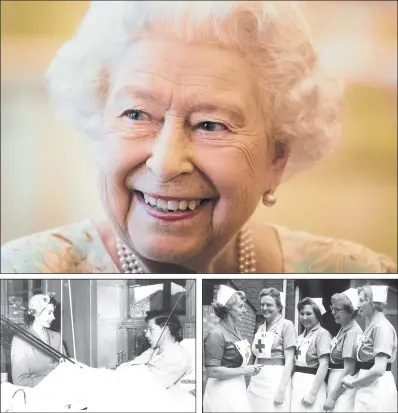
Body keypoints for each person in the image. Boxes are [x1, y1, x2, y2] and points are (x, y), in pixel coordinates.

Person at [1, 1, 396, 274]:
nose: (166, 162)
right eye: (136, 114)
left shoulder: (359, 282)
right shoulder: (19, 279)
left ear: (276, 158)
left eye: (211, 124)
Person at [341, 285, 397, 412]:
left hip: (377, 388)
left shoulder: (382, 328)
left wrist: (354, 382)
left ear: (374, 303)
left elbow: (379, 369)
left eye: (362, 300)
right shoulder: (370, 326)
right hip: (366, 386)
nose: (358, 305)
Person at [203, 285, 257, 412]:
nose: (244, 310)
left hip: (237, 387)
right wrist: (244, 371)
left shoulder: (236, 331)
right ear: (227, 309)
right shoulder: (216, 334)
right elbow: (212, 372)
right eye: (240, 306)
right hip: (222, 391)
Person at [247, 288, 296, 412]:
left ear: (279, 307)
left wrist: (282, 388)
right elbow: (257, 355)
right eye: (262, 304)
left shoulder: (287, 325)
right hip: (257, 378)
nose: (264, 308)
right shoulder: (260, 328)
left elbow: (290, 359)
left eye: (269, 305)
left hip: (275, 378)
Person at [117, 312, 192, 389]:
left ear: (165, 331)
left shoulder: (180, 356)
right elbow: (123, 368)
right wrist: (146, 368)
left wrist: (141, 368)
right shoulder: (152, 351)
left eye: (151, 329)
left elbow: (154, 384)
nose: (146, 335)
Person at [11, 293, 67, 387]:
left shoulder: (56, 337)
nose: (53, 317)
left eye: (53, 313)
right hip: (37, 395)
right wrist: (51, 385)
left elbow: (67, 368)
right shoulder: (21, 340)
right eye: (49, 313)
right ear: (36, 314)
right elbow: (20, 381)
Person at [324, 288, 363, 412]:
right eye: (332, 309)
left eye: (337, 310)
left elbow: (349, 369)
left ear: (350, 311)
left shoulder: (352, 332)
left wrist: (332, 397)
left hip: (343, 387)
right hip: (336, 381)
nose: (333, 313)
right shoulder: (343, 329)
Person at [291, 297, 331, 412]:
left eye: (309, 314)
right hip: (296, 383)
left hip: (312, 384)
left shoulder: (322, 334)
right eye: (302, 313)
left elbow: (324, 365)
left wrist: (313, 394)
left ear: (317, 316)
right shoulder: (300, 337)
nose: (304, 317)